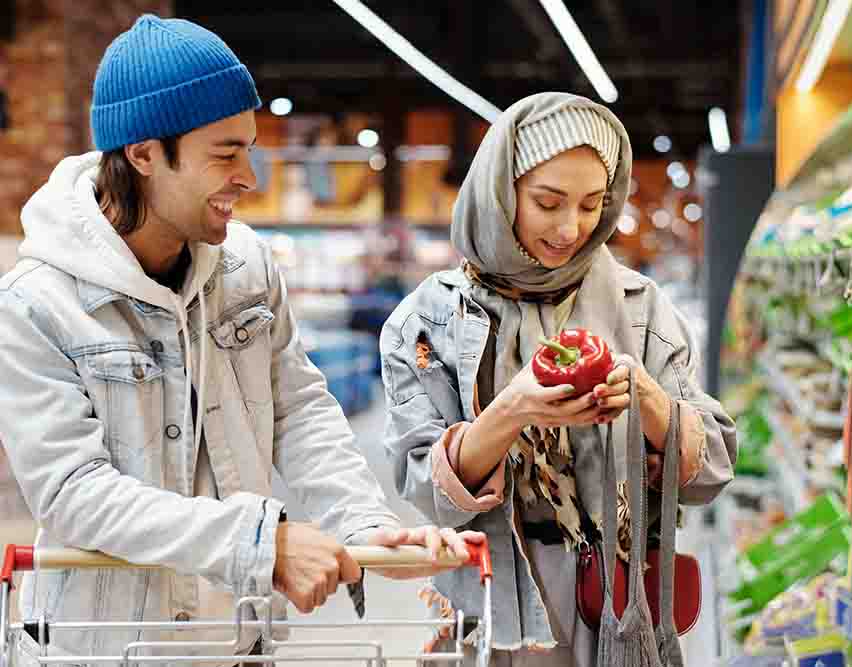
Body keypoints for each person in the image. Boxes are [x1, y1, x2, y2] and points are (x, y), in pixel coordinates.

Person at [0, 15, 479, 666]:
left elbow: (301, 412)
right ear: (143, 153)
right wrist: (265, 540)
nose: (249, 176)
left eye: (248, 148)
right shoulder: (36, 304)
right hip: (105, 646)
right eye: (225, 153)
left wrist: (366, 524)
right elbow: (76, 492)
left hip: (236, 641)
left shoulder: (247, 269)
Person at [379, 92, 738, 666]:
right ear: (501, 194)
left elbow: (711, 471)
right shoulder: (426, 323)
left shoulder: (641, 308)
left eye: (593, 204)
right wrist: (510, 412)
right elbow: (427, 491)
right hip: (492, 597)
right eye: (548, 202)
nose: (571, 228)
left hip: (617, 601)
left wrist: (645, 396)